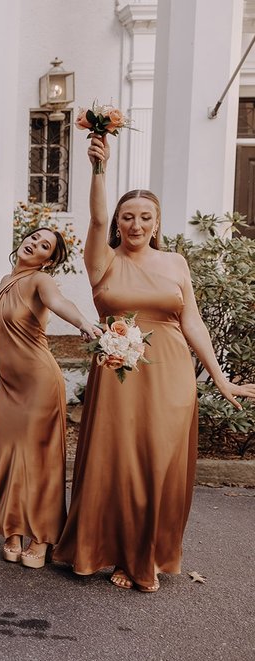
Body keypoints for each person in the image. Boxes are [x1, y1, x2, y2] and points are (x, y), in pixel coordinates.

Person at [53, 135, 255, 592]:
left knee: (159, 462)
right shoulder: (102, 260)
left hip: (171, 372)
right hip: (120, 373)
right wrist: (98, 167)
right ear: (118, 224)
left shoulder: (176, 262)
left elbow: (194, 323)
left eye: (145, 217)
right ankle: (117, 553)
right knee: (120, 461)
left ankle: (147, 554)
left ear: (157, 221)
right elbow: (97, 215)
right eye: (128, 217)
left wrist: (220, 379)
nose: (135, 224)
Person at [0, 228, 100, 568]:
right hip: (10, 384)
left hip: (39, 382)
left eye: (44, 245)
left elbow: (60, 303)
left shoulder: (40, 281)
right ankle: (14, 528)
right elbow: (7, 323)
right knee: (12, 455)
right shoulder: (7, 278)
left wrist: (84, 323)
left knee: (41, 459)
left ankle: (43, 536)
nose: (34, 243)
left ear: (47, 259)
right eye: (34, 237)